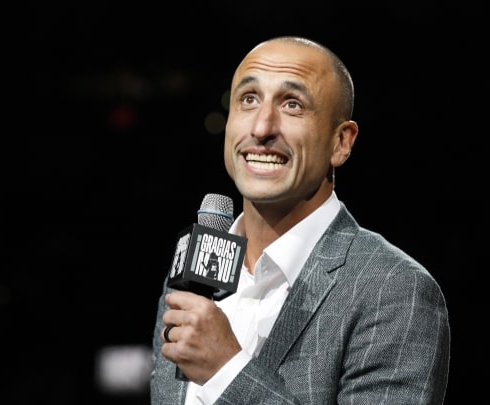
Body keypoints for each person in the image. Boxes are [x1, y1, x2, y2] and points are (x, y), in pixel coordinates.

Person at [150, 35, 450, 404]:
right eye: (248, 99)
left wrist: (226, 370)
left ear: (341, 142)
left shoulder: (394, 290)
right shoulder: (193, 269)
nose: (261, 128)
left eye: (292, 105)